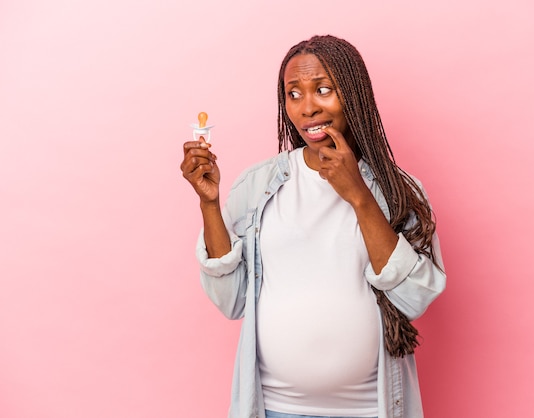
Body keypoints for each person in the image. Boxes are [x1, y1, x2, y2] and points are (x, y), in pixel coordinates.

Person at [180, 35, 446, 418]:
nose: (307, 108)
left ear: (354, 96)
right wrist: (209, 203)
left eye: (323, 90)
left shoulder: (397, 191)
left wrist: (358, 195)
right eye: (293, 94)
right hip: (275, 408)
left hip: (371, 410)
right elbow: (233, 300)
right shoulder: (256, 186)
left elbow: (415, 299)